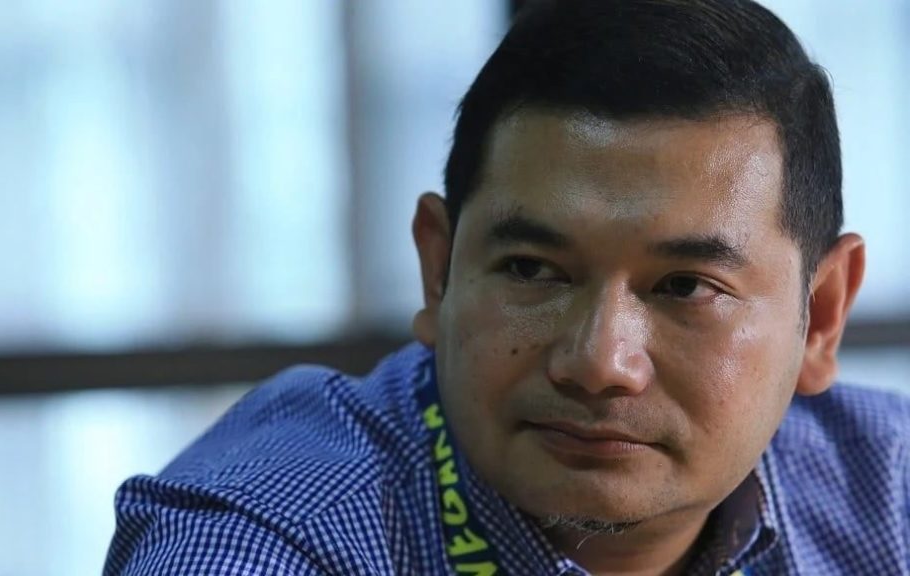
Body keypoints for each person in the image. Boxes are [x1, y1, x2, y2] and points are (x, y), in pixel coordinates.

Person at [104, 1, 910, 574]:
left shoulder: (890, 493)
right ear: (440, 270)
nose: (600, 363)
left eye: (684, 286)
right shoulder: (272, 538)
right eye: (531, 269)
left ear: (819, 317)